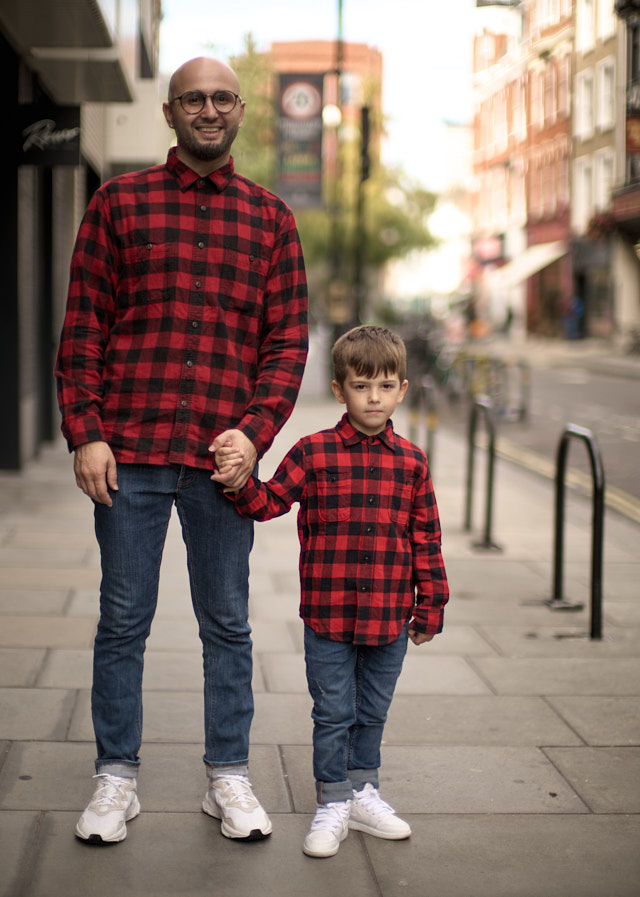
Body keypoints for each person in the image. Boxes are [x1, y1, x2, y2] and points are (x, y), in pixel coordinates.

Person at [54, 56, 309, 844]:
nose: (208, 109)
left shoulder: (271, 219)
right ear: (168, 113)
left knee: (228, 621)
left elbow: (287, 342)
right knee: (122, 620)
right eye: (193, 99)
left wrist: (255, 432)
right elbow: (84, 324)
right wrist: (86, 430)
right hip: (127, 452)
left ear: (240, 112)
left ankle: (227, 775)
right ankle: (116, 778)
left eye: (221, 98)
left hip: (221, 463)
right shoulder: (117, 203)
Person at [212, 325, 449, 858]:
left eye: (385, 386)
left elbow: (426, 537)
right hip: (328, 614)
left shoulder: (412, 462)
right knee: (333, 710)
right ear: (340, 390)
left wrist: (431, 604)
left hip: (389, 614)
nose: (374, 397)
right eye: (362, 386)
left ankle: (365, 792)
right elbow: (270, 500)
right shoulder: (314, 452)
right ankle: (332, 801)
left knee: (373, 710)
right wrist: (237, 481)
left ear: (402, 390)